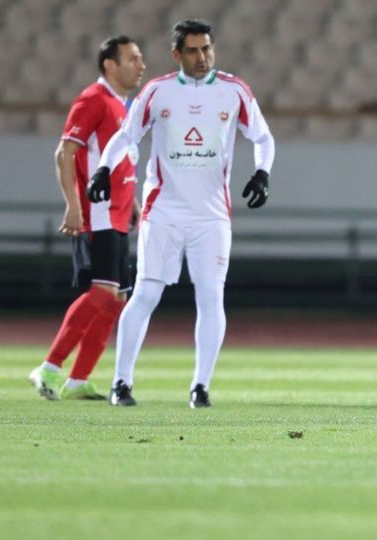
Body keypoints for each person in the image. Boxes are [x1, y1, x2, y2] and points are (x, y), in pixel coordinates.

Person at [89, 19, 275, 408]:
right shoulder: (158, 92)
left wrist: (262, 173)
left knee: (211, 296)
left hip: (212, 215)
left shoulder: (234, 90)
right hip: (164, 211)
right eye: (193, 50)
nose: (202, 57)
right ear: (177, 54)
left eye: (207, 48)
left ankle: (200, 386)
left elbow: (262, 136)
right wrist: (103, 168)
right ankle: (121, 382)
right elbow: (126, 135)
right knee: (145, 294)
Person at [28, 36, 146, 401]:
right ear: (109, 65)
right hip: (98, 212)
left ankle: (79, 380)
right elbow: (64, 153)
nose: (141, 66)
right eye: (132, 59)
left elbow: (117, 160)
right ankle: (49, 367)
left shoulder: (122, 106)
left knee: (117, 299)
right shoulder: (93, 99)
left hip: (119, 213)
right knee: (102, 292)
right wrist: (73, 205)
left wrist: (133, 201)